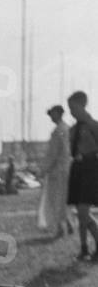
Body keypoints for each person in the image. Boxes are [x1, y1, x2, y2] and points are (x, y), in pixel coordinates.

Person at [66, 90, 98, 261]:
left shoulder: (93, 126)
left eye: (73, 107)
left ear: (83, 105)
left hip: (90, 167)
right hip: (77, 168)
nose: (71, 111)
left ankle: (84, 248)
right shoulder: (72, 130)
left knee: (84, 210)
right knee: (81, 212)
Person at [38, 105, 73, 239]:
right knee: (63, 200)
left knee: (55, 200)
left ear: (59, 113)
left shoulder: (58, 131)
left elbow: (53, 154)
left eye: (52, 114)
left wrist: (43, 169)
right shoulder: (67, 129)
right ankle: (68, 224)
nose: (51, 117)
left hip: (57, 171)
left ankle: (60, 228)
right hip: (65, 169)